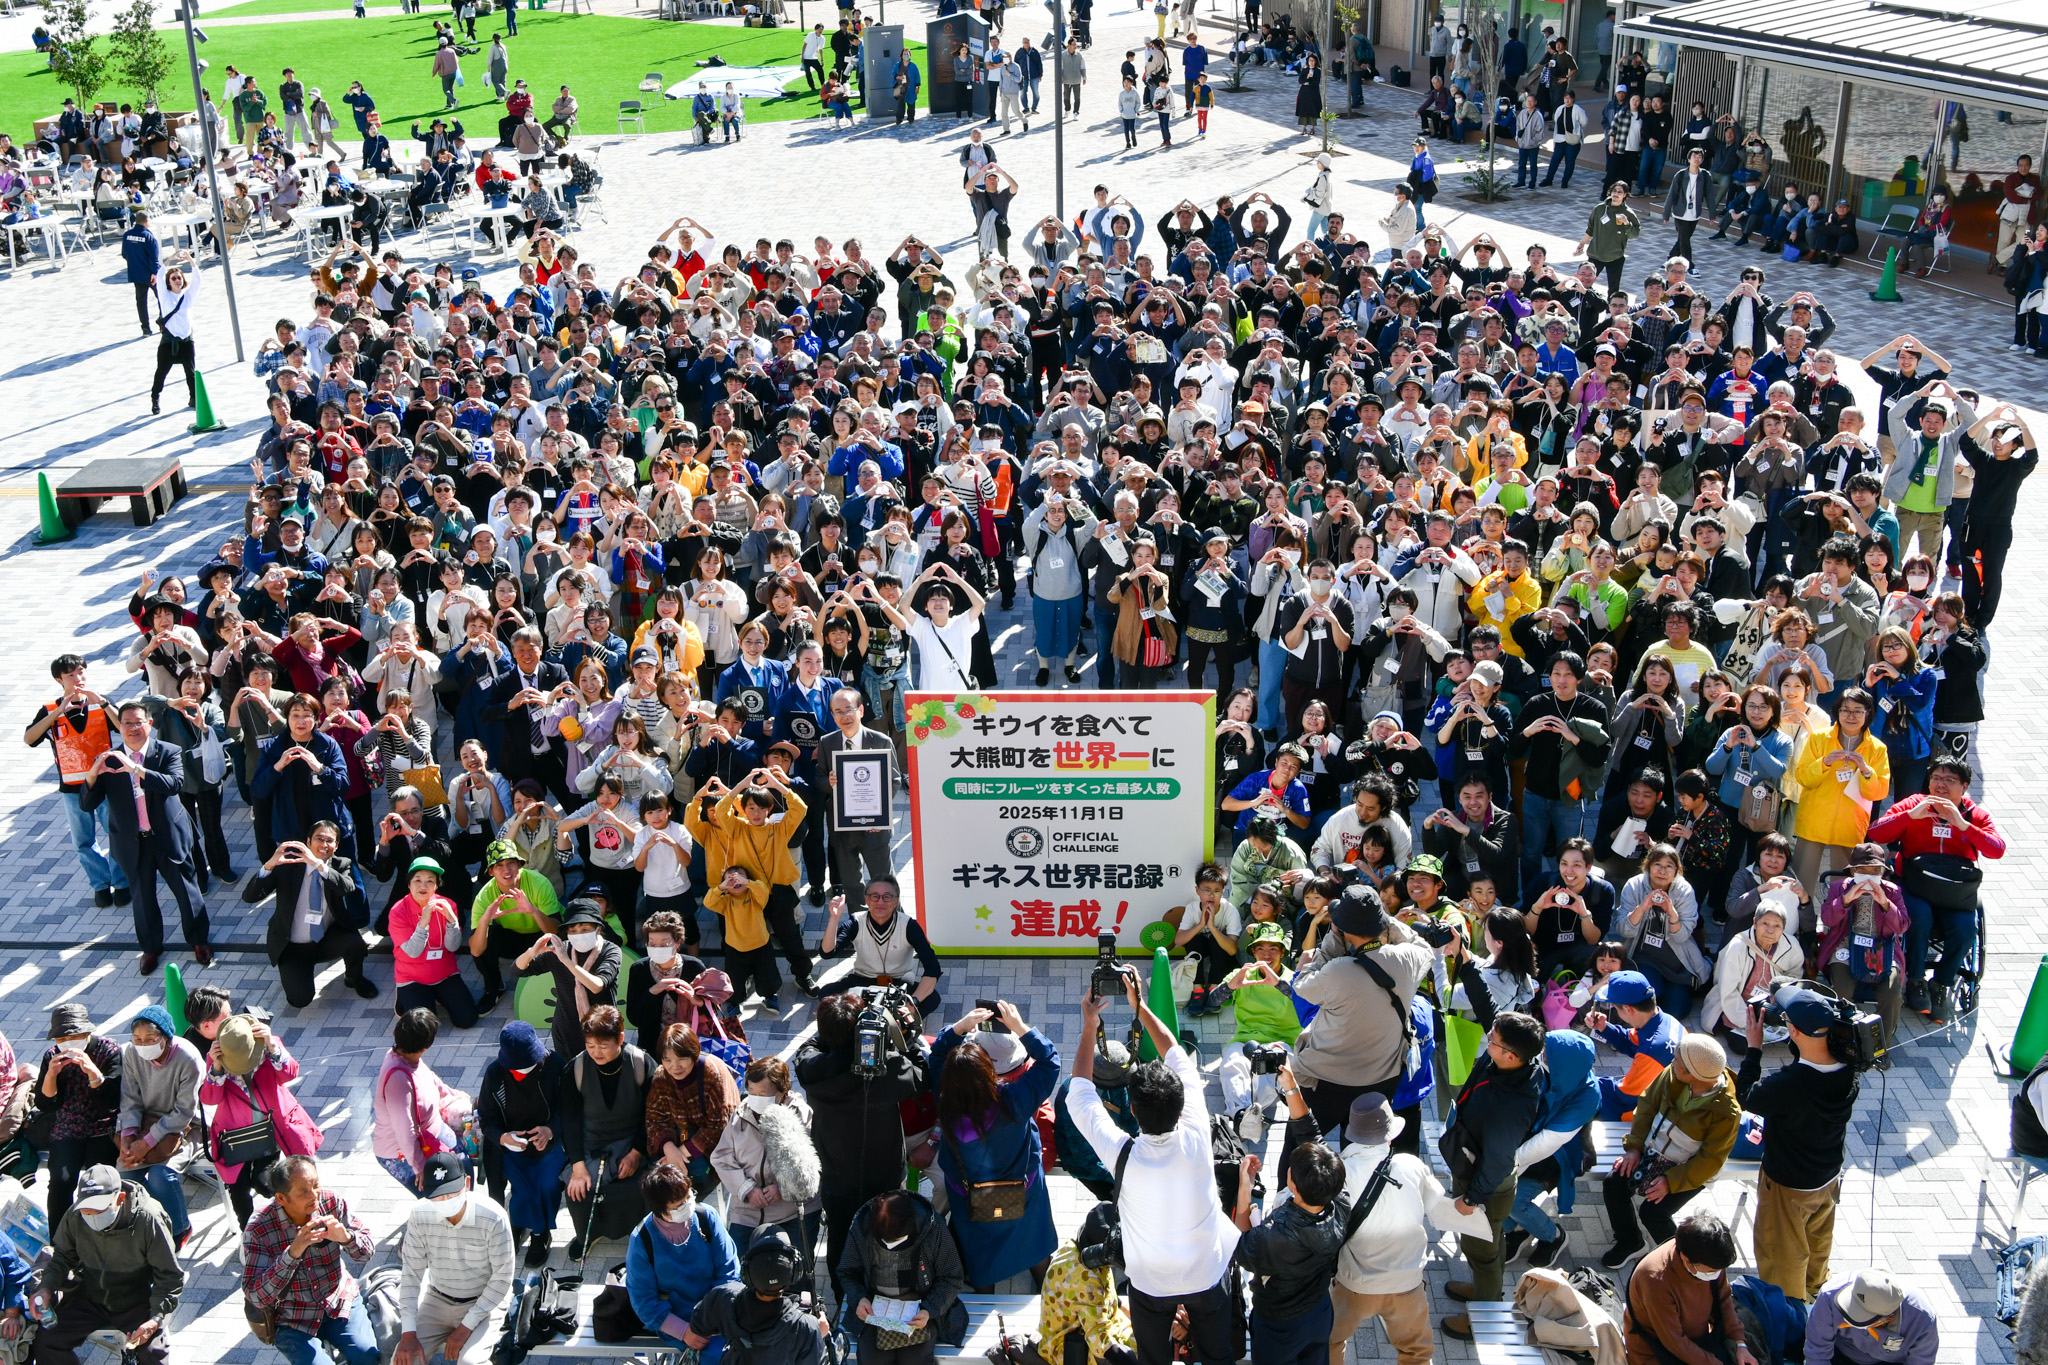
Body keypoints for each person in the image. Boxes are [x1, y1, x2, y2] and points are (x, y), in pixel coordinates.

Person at [1069, 973, 1241, 1365]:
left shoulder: (1122, 1154)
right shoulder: (1197, 1131)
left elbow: (1080, 1095)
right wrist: (1140, 1007)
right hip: (1208, 1270)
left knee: (1152, 1358)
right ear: (1182, 1103)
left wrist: (1090, 1024)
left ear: (1132, 1111)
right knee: (1218, 1356)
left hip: (1150, 1281)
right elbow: (1175, 1052)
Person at [796, 991, 927, 1305]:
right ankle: (887, 1289)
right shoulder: (888, 1066)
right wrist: (900, 1039)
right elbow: (922, 1074)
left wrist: (835, 1028)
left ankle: (845, 1297)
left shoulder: (814, 1070)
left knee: (841, 1236)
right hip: (885, 1176)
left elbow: (807, 1049)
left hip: (836, 1176)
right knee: (888, 1233)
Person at [1739, 987, 1860, 1305]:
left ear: (1792, 1031)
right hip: (1828, 1177)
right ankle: (1817, 1288)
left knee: (1781, 1254)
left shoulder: (1788, 1085)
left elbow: (1747, 1097)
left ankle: (1790, 1310)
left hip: (1788, 1187)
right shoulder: (1849, 1070)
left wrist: (1754, 1048)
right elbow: (1812, 1067)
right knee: (1818, 1242)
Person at [930, 1000, 1061, 1292]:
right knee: (1033, 1239)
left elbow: (937, 1053)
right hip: (1024, 1189)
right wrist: (1021, 1028)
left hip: (969, 1195)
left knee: (980, 1249)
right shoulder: (1014, 1101)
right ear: (988, 1071)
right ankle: (1046, 1286)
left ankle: (984, 1291)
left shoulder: (943, 1096)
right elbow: (1050, 1060)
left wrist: (959, 1027)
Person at [1289, 884, 1435, 1141]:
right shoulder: (1407, 960)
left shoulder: (1338, 970)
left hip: (1326, 1081)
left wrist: (1333, 941)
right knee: (1364, 1150)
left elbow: (1302, 985)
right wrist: (1386, 920)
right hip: (1381, 1080)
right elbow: (1422, 947)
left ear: (1345, 928)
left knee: (1302, 1147)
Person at [77, 700, 211, 974]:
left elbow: (175, 784)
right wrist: (91, 775)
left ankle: (199, 940)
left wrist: (136, 769)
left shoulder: (167, 751)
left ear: (149, 724)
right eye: (127, 723)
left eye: (138, 722)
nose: (133, 728)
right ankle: (151, 948)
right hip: (132, 841)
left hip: (168, 837)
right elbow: (87, 804)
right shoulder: (109, 760)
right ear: (119, 727)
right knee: (142, 897)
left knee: (187, 891)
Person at [1865, 753, 2001, 1021]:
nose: (1941, 784)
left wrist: (1963, 825)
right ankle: (1915, 980)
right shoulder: (1914, 804)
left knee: (1965, 930)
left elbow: (1996, 850)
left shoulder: (1974, 814)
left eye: (1950, 780)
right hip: (1915, 885)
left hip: (1955, 893)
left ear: (1964, 786)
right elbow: (1876, 832)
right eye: (1936, 778)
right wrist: (1909, 816)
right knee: (1918, 917)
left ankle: (1941, 983)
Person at [1437, 1011, 1547, 1342]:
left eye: (1493, 1040)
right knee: (1489, 1242)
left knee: (1481, 1251)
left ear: (1512, 1056)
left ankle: (1483, 1319)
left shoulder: (1510, 1107)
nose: (1488, 1039)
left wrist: (1472, 1199)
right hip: (1479, 1172)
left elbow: (1498, 1160)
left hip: (1485, 1185)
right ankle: (1485, 1290)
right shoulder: (1511, 1063)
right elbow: (1490, 1010)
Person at [1229, 1068, 1349, 1365]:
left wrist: (1244, 1189)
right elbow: (1312, 1134)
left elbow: (1242, 1249)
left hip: (1278, 1325)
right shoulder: (1341, 1201)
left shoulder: (1275, 1236)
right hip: (1319, 1311)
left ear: (1292, 1185)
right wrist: (1291, 1087)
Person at [1600, 1033, 1740, 1269]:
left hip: (1689, 1170)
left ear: (1694, 1074)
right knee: (1614, 1183)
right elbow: (1646, 1105)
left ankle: (1682, 1265)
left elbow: (1710, 1160)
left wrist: (1671, 1182)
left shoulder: (1727, 1112)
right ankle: (1631, 1242)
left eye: (1677, 1060)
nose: (1672, 1062)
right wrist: (1634, 1148)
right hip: (1653, 1150)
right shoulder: (1674, 1073)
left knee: (1653, 1213)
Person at [30, 1164, 183, 1365]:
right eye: (86, 1208)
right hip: (89, 1295)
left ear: (119, 1198)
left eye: (98, 1208)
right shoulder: (75, 1215)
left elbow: (169, 1275)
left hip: (136, 1299)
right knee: (46, 1342)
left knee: (153, 1353)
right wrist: (46, 1288)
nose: (91, 1214)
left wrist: (155, 1318)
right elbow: (62, 1257)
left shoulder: (149, 1218)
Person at [241, 1155, 380, 1365]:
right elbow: (255, 1295)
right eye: (303, 1192)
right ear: (281, 1198)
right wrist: (291, 1254)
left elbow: (367, 1253)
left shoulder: (331, 1202)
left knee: (367, 1356)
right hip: (292, 1318)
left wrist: (346, 1238)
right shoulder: (259, 1228)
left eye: (316, 1185)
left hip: (339, 1300)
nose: (314, 1195)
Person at [25, 655, 129, 911]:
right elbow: (29, 738)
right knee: (83, 840)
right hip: (72, 789)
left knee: (116, 833)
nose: (78, 678)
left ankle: (121, 882)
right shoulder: (50, 709)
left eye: (81, 672)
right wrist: (57, 712)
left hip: (106, 783)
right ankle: (100, 884)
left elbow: (125, 728)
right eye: (70, 675)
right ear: (59, 680)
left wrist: (104, 703)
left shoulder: (99, 702)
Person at [203, 1012, 322, 1233]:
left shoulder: (268, 1044)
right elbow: (209, 1098)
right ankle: (249, 1234)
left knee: (266, 1183)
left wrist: (272, 1047)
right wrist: (217, 1068)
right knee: (237, 1186)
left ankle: (291, 1218)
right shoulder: (219, 1055)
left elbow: (290, 1073)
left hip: (273, 1130)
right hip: (236, 1136)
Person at [394, 1153, 515, 1365]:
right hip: (437, 1299)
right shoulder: (419, 1215)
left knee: (470, 1362)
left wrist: (465, 1327)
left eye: (451, 1193)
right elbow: (411, 1274)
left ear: (467, 1184)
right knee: (402, 1361)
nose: (445, 1202)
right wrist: (408, 1332)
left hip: (484, 1302)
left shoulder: (493, 1216)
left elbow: (502, 1278)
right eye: (438, 1196)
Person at [244, 824, 377, 1007]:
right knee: (300, 1000)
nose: (324, 844)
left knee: (355, 943)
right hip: (293, 946)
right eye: (319, 839)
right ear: (308, 842)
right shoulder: (289, 865)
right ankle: (296, 972)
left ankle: (354, 978)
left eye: (329, 840)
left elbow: (347, 888)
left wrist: (318, 865)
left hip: (326, 938)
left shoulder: (341, 864)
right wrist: (268, 866)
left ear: (336, 846)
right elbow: (249, 897)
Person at [560, 1005, 654, 1260]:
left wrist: (637, 1152)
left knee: (645, 1185)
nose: (596, 1052)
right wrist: (578, 1166)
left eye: (603, 1045)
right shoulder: (576, 1068)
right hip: (591, 1145)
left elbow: (653, 1114)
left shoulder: (641, 1063)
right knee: (578, 1190)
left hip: (634, 1142)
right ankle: (588, 1234)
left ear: (620, 1038)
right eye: (590, 1045)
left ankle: (646, 1234)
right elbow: (569, 1121)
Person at [624, 1160, 743, 1354]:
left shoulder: (707, 1217)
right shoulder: (641, 1240)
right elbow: (643, 1300)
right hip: (677, 1320)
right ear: (661, 1210)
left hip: (718, 1309)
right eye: (679, 1205)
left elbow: (729, 1269)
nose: (688, 1205)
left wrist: (716, 1314)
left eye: (689, 1196)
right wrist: (683, 1331)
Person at [709, 1055, 822, 1257]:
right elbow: (721, 1158)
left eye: (762, 1094)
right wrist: (747, 1189)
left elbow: (813, 1166)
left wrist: (783, 1189)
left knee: (796, 1267)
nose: (755, 1098)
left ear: (782, 1093)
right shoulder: (740, 1115)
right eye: (752, 1092)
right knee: (740, 1266)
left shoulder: (802, 1115)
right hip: (747, 1211)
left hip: (793, 1210)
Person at [837, 1186, 969, 1360]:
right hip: (875, 1308)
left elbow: (951, 1277)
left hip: (922, 1307)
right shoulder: (862, 1227)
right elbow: (847, 1271)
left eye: (897, 1241)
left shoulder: (932, 1228)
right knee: (871, 1358)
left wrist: (929, 1310)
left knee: (915, 1359)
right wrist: (859, 1298)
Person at [476, 1021, 569, 1268]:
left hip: (551, 1143)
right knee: (522, 1185)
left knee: (547, 1184)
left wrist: (550, 1130)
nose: (522, 1072)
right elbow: (486, 1118)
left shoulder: (556, 1065)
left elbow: (569, 1107)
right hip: (512, 1146)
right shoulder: (495, 1074)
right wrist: (503, 1137)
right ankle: (518, 1225)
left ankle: (540, 1233)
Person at [1621, 1213, 1757, 1365]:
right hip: (1658, 1352)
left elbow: (1724, 1300)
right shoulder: (1655, 1280)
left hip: (1697, 1340)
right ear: (1686, 1258)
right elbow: (1674, 1341)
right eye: (1711, 1271)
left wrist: (1740, 1343)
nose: (1716, 1274)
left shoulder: (1713, 1258)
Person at [31, 1005, 124, 1231]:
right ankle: (60, 1239)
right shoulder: (52, 1055)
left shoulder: (108, 1051)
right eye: (62, 1039)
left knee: (98, 1183)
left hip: (102, 1127)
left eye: (74, 1037)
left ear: (87, 1033)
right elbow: (45, 1103)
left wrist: (93, 1072)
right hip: (67, 1127)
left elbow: (112, 1101)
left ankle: (101, 1233)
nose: (68, 1043)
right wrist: (51, 1075)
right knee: (60, 1182)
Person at [373, 1008, 472, 1195]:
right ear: (426, 1045)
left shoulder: (407, 1056)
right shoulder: (397, 1081)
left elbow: (431, 1079)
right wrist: (419, 1167)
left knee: (463, 1167)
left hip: (432, 1131)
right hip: (402, 1151)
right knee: (439, 1195)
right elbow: (405, 1131)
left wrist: (456, 1095)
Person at [816, 688, 896, 907]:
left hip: (875, 827)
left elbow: (894, 780)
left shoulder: (881, 741)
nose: (845, 716)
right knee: (851, 884)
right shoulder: (827, 742)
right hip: (843, 828)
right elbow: (819, 778)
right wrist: (829, 782)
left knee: (885, 882)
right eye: (838, 711)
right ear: (833, 716)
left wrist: (879, 814)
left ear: (861, 710)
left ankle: (894, 920)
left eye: (849, 709)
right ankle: (858, 923)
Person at [822, 876, 943, 1016]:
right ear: (867, 900)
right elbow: (827, 953)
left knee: (932, 999)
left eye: (887, 897)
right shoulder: (856, 921)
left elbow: (933, 968)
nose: (880, 902)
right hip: (862, 980)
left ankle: (899, 1023)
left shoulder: (908, 925)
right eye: (875, 896)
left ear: (895, 901)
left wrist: (913, 1002)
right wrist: (834, 918)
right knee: (826, 994)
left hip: (898, 984)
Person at [521, 899, 623, 1060]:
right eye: (573, 930)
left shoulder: (610, 951)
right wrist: (531, 952)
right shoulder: (561, 949)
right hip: (566, 1029)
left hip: (602, 1029)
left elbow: (597, 985)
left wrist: (566, 961)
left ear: (598, 929)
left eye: (585, 929)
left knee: (603, 1069)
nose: (579, 934)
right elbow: (518, 969)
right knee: (569, 1071)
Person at [388, 857, 479, 1027]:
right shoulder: (397, 911)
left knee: (467, 1020)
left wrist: (452, 921)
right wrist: (424, 922)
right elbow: (413, 951)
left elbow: (453, 946)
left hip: (445, 973)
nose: (423, 886)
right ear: (409, 884)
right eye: (417, 880)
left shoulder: (448, 905)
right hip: (412, 978)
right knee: (425, 1028)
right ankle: (405, 997)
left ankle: (437, 996)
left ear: (436, 886)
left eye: (430, 881)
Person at [1805, 1270, 1938, 1365]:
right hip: (1839, 1355)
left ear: (1887, 1318)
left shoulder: (1923, 1320)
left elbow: (1921, 1361)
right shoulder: (1830, 1296)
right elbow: (1817, 1352)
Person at [146, 254, 199, 416]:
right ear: (168, 282)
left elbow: (198, 280)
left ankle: (194, 398)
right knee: (161, 372)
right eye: (173, 278)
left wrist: (190, 260)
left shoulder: (188, 296)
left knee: (190, 372)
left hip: (186, 340)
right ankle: (155, 399)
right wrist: (169, 260)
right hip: (169, 341)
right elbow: (160, 275)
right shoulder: (165, 296)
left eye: (179, 278)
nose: (177, 280)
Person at [121, 209, 159, 337]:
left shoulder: (127, 235)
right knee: (162, 299)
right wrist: (154, 272)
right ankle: (163, 323)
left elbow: (124, 254)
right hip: (150, 274)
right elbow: (154, 258)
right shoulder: (149, 237)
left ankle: (145, 329)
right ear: (147, 222)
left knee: (141, 302)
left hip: (136, 273)